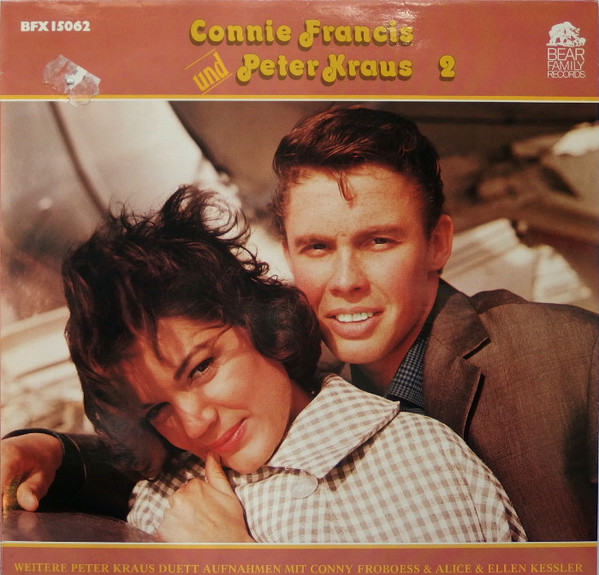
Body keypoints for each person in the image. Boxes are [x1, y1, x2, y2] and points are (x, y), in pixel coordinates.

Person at [2, 105, 596, 541]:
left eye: (379, 241)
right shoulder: (299, 363)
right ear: (287, 253)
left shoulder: (568, 357)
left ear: (438, 243)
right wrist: (51, 451)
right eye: (316, 248)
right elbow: (170, 437)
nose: (345, 281)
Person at [38, 185, 526, 543]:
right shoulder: (164, 498)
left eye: (201, 368)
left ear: (259, 324)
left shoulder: (414, 460)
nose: (194, 423)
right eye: (157, 409)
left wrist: (240, 572)